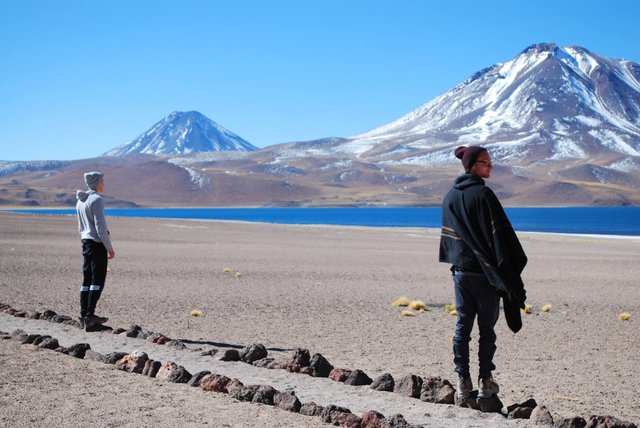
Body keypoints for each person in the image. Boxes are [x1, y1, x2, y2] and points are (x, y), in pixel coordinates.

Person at [439, 146, 527, 403]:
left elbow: (451, 242)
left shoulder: (449, 198)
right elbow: (501, 239)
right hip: (486, 275)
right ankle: (485, 381)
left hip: (460, 273)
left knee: (462, 326)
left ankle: (462, 380)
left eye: (490, 162)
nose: (491, 166)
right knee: (486, 328)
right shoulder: (484, 195)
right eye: (486, 162)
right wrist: (506, 272)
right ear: (472, 165)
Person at [76, 171, 115, 331]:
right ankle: (90, 316)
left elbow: (80, 226)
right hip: (97, 244)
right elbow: (100, 227)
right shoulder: (96, 200)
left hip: (85, 242)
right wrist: (109, 248)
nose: (104, 183)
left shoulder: (80, 201)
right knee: (97, 280)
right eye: (102, 181)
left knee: (87, 280)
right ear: (97, 183)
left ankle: (84, 314)